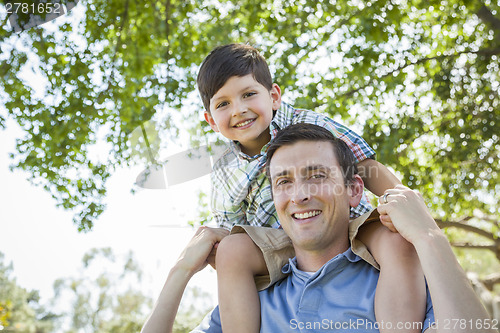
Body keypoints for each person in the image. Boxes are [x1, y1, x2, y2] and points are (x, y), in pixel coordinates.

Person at [141, 123, 494, 333]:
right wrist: (180, 271)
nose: (299, 195)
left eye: (317, 176)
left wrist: (428, 237)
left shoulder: (402, 282)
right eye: (283, 182)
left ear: (355, 189)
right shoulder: (250, 302)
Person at [197, 43, 424, 332]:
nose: (239, 109)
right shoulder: (224, 171)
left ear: (274, 96)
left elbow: (365, 167)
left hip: (345, 223)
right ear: (211, 121)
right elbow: (231, 228)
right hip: (280, 243)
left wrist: (404, 206)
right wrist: (225, 254)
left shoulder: (307, 124)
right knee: (231, 249)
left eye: (249, 94)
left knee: (396, 241)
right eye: (223, 104)